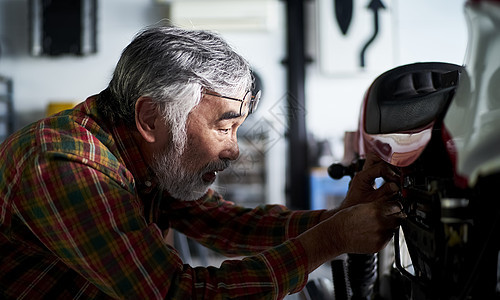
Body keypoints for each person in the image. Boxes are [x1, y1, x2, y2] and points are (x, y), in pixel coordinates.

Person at [0, 24, 405, 299]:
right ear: (151, 118)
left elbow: (228, 224)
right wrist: (331, 240)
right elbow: (178, 294)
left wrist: (342, 220)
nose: (234, 150)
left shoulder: (149, 155)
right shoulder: (68, 165)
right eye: (224, 128)